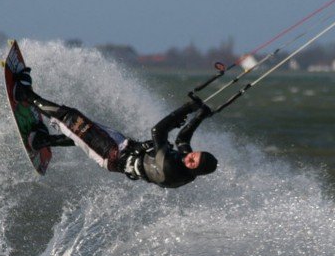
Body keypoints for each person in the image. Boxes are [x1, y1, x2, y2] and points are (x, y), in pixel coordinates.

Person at [13, 68, 217, 188]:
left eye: (192, 162)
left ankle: (24, 94)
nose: (189, 158)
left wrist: (187, 108)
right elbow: (182, 140)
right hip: (120, 145)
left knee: (70, 118)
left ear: (195, 171)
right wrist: (199, 116)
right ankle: (42, 140)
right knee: (79, 134)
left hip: (111, 154)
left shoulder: (171, 169)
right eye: (194, 156)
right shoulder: (187, 166)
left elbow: (158, 131)